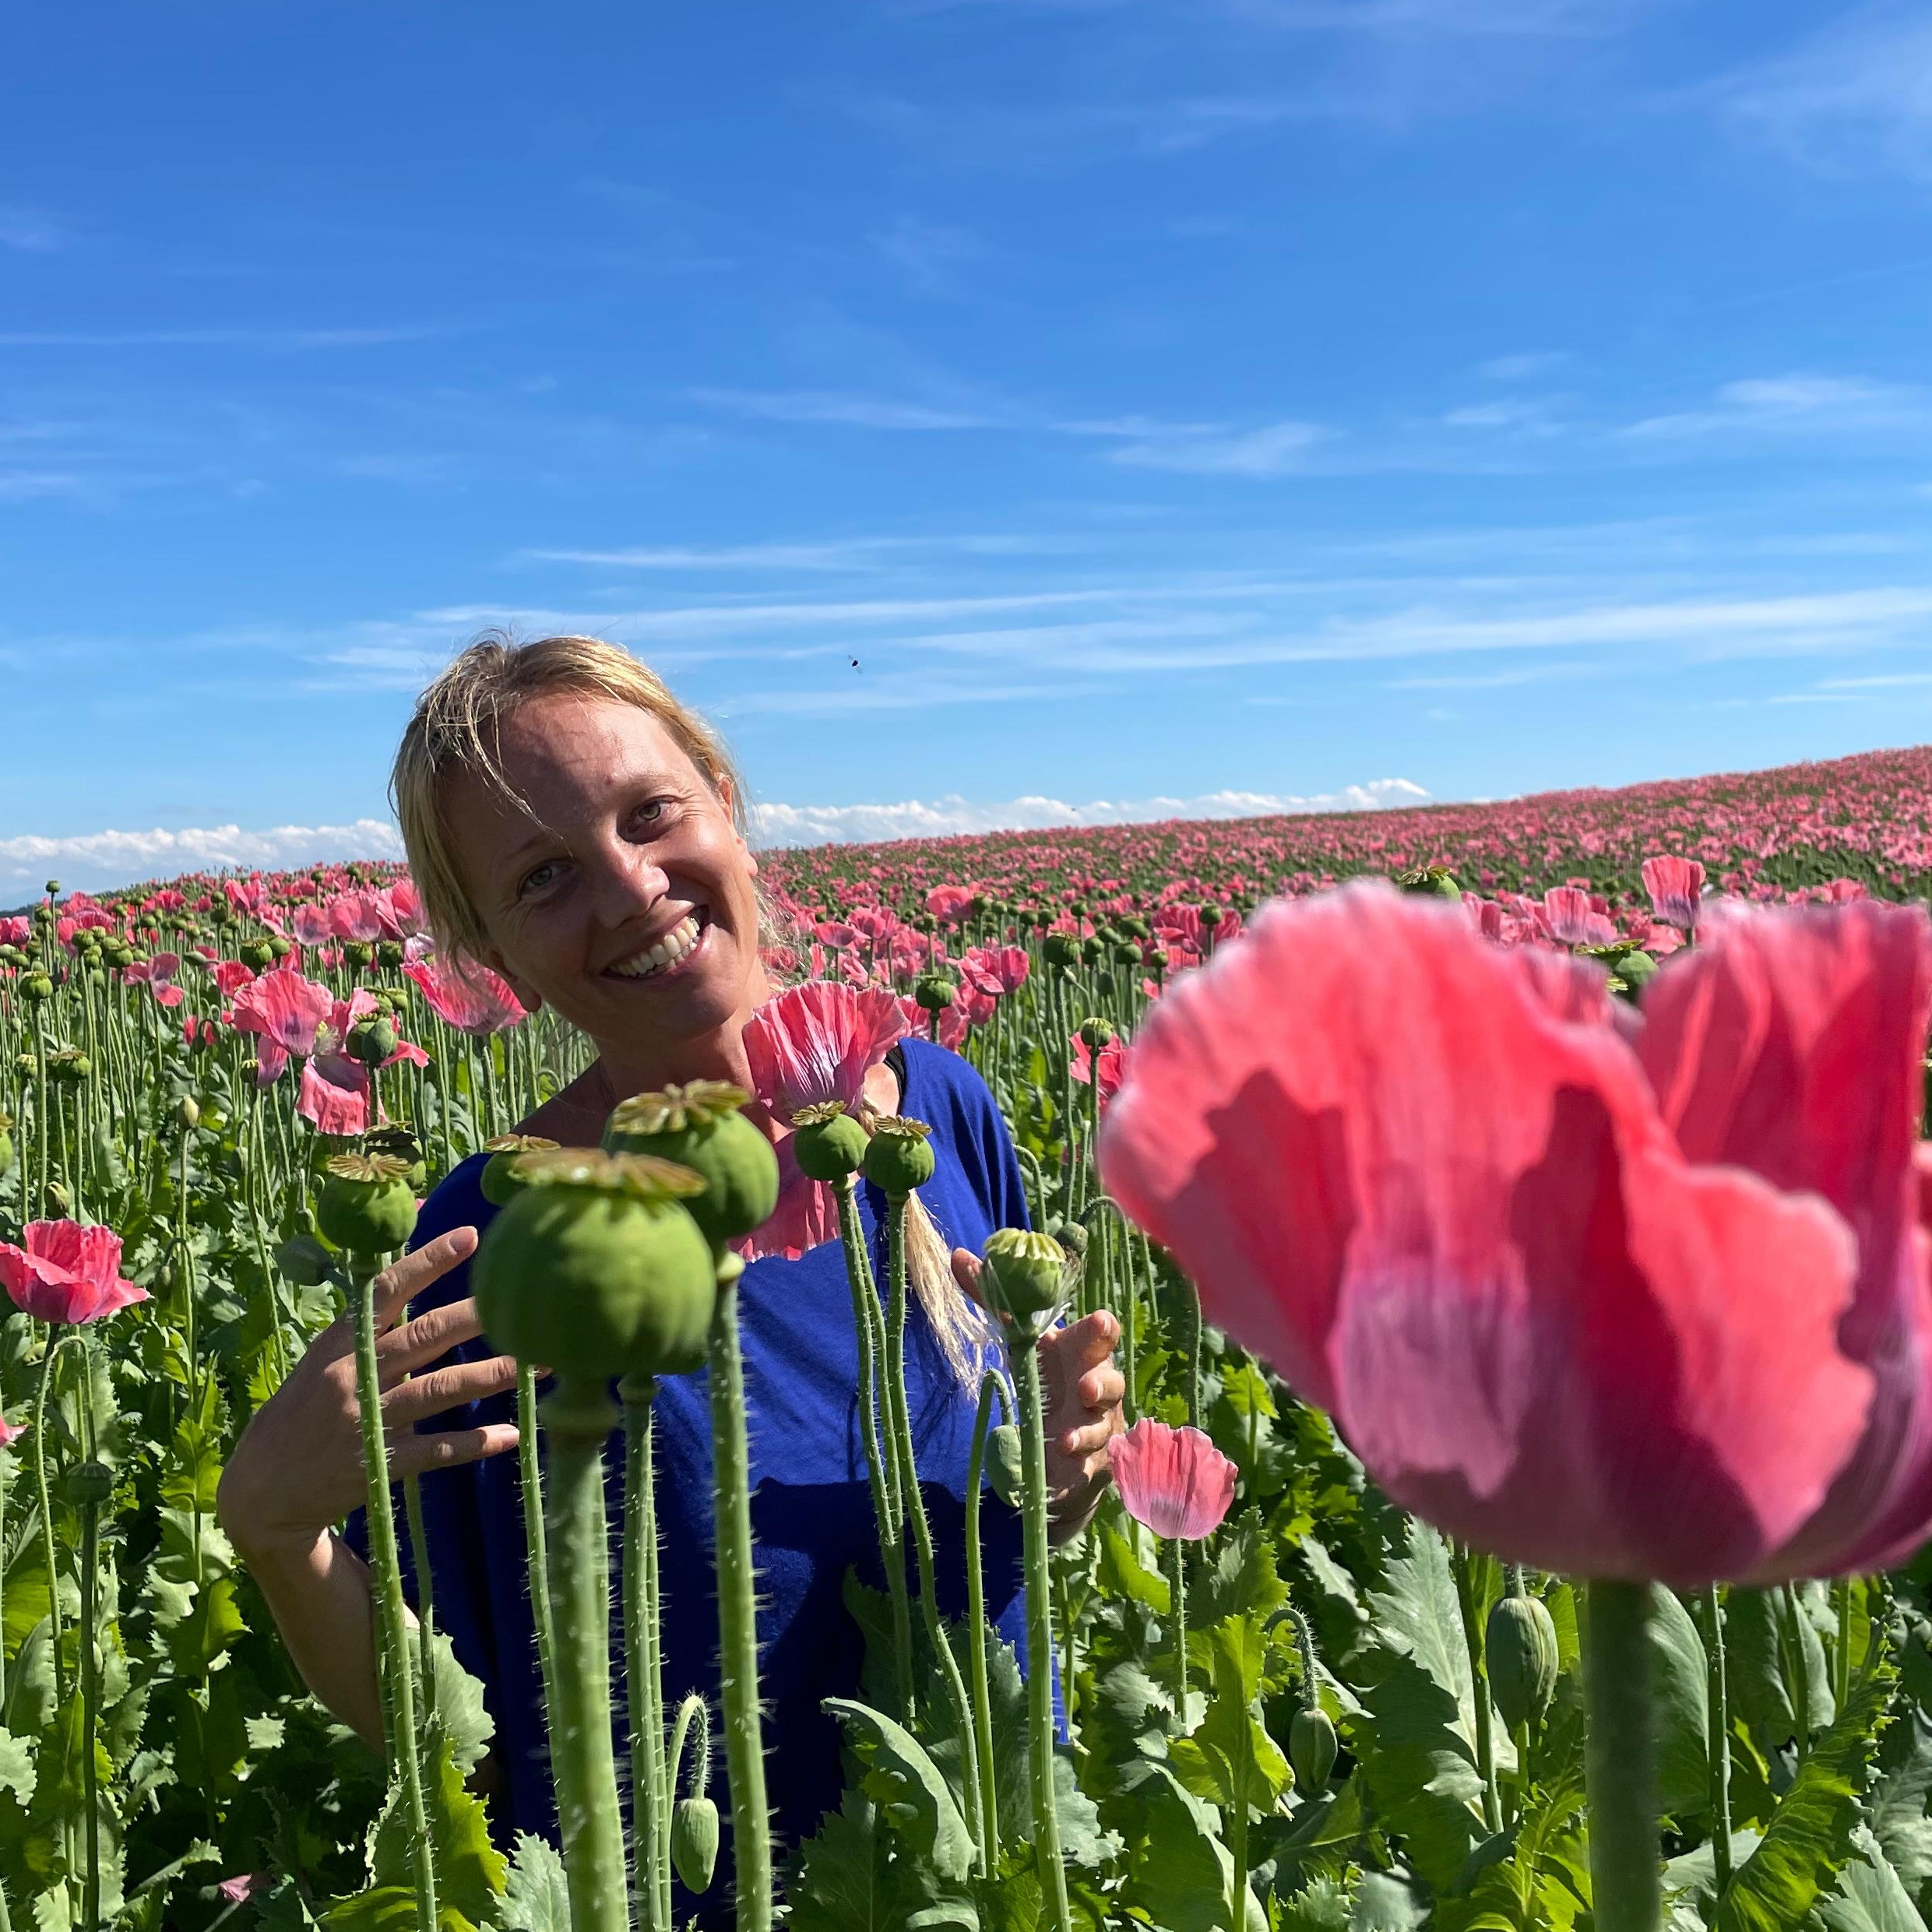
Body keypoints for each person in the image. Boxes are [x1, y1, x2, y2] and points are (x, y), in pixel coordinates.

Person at [217, 634, 1127, 1899]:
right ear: (493, 957)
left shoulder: (940, 1109)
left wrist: (1065, 1468)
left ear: (726, 800)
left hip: (991, 1867)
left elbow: (1013, 1534)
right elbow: (445, 1737)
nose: (631, 887)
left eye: (650, 813)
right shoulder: (512, 1236)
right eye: (544, 877)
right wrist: (274, 1529)